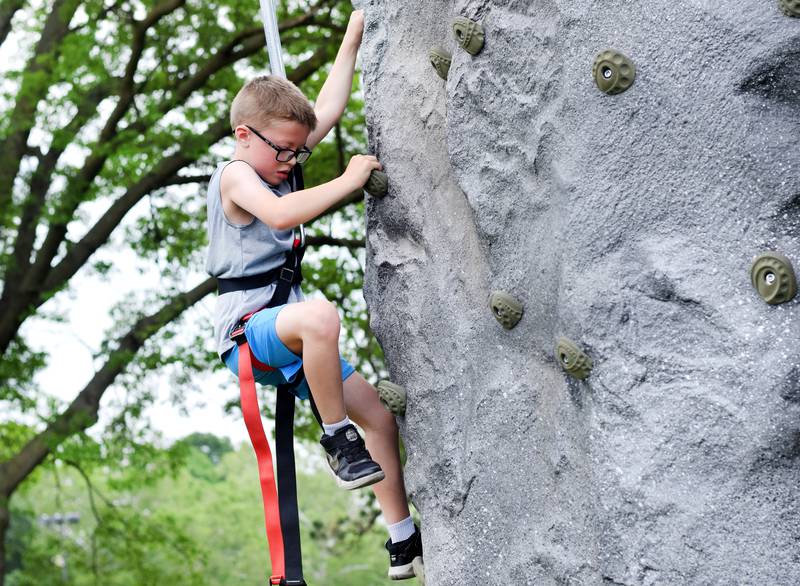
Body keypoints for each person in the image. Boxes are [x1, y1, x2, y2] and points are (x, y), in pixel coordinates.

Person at [204, 10, 423, 580]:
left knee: (379, 416)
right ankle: (335, 437)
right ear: (243, 136)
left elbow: (326, 108)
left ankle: (401, 539)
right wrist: (347, 181)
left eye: (300, 153)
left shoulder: (278, 161)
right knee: (322, 317)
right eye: (284, 151)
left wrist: (354, 32)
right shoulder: (237, 176)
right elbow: (278, 215)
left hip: (294, 340)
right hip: (250, 334)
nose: (293, 162)